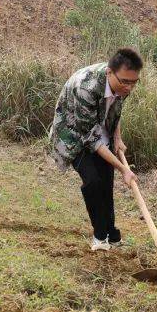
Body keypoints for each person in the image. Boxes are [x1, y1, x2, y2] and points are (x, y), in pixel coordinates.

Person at [49, 48, 142, 252]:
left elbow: (115, 110)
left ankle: (111, 233)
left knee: (106, 183)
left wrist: (117, 137)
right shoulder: (86, 87)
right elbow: (91, 139)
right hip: (74, 134)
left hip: (99, 128)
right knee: (93, 181)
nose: (129, 87)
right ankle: (100, 237)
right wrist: (123, 169)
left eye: (134, 82)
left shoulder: (123, 85)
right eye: (125, 82)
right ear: (109, 72)